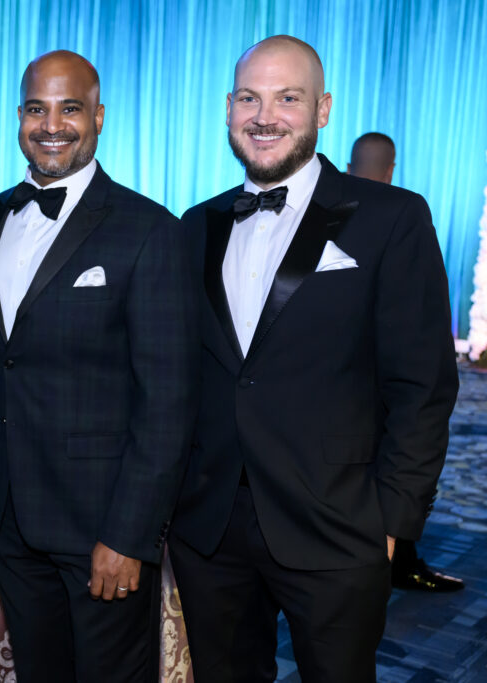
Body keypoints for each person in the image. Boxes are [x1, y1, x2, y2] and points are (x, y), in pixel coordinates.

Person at [168, 35, 458, 682]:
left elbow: (423, 385)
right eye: (250, 97)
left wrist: (392, 523)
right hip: (211, 530)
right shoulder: (196, 224)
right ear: (227, 107)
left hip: (337, 524)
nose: (264, 115)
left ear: (322, 109)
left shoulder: (393, 217)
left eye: (287, 98)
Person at [0, 50, 197, 682]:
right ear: (18, 117)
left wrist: (129, 535)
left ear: (99, 117)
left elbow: (169, 400)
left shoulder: (150, 230)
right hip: (12, 519)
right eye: (37, 108)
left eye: (70, 108)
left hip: (102, 526)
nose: (52, 124)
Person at [348, 131, 464, 593]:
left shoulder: (399, 215)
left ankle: (401, 550)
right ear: (391, 167)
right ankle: (400, 552)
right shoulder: (402, 216)